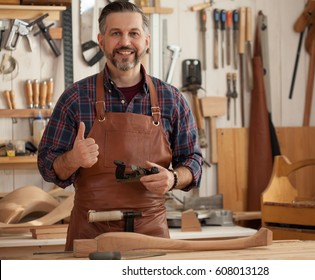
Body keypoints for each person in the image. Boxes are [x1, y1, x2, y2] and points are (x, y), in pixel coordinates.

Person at [38, 0, 203, 251]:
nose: (125, 42)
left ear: (146, 41)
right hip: (91, 233)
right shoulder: (75, 98)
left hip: (151, 236)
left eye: (133, 33)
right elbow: (47, 167)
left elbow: (193, 161)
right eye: (116, 33)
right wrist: (72, 158)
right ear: (101, 40)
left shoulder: (172, 99)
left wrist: (172, 177)